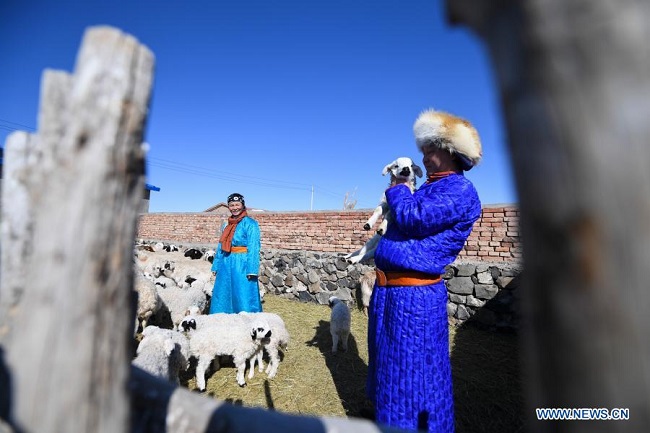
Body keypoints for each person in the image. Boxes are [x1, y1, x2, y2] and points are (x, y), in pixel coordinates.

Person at [366, 109, 483, 432]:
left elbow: (413, 218)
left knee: (413, 374)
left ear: (451, 151)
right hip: (391, 293)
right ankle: (386, 421)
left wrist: (398, 187)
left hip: (414, 300)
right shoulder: (431, 188)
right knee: (388, 366)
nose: (424, 157)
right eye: (424, 150)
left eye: (430, 150)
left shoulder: (460, 190)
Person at [209, 193, 263, 314]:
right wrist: (216, 265)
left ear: (243, 205)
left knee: (243, 292)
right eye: (232, 205)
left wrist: (251, 270)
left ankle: (246, 318)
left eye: (237, 204)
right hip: (226, 261)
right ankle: (222, 318)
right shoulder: (227, 225)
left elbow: (253, 247)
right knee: (224, 292)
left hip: (242, 263)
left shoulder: (251, 224)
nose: (235, 208)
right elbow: (221, 246)